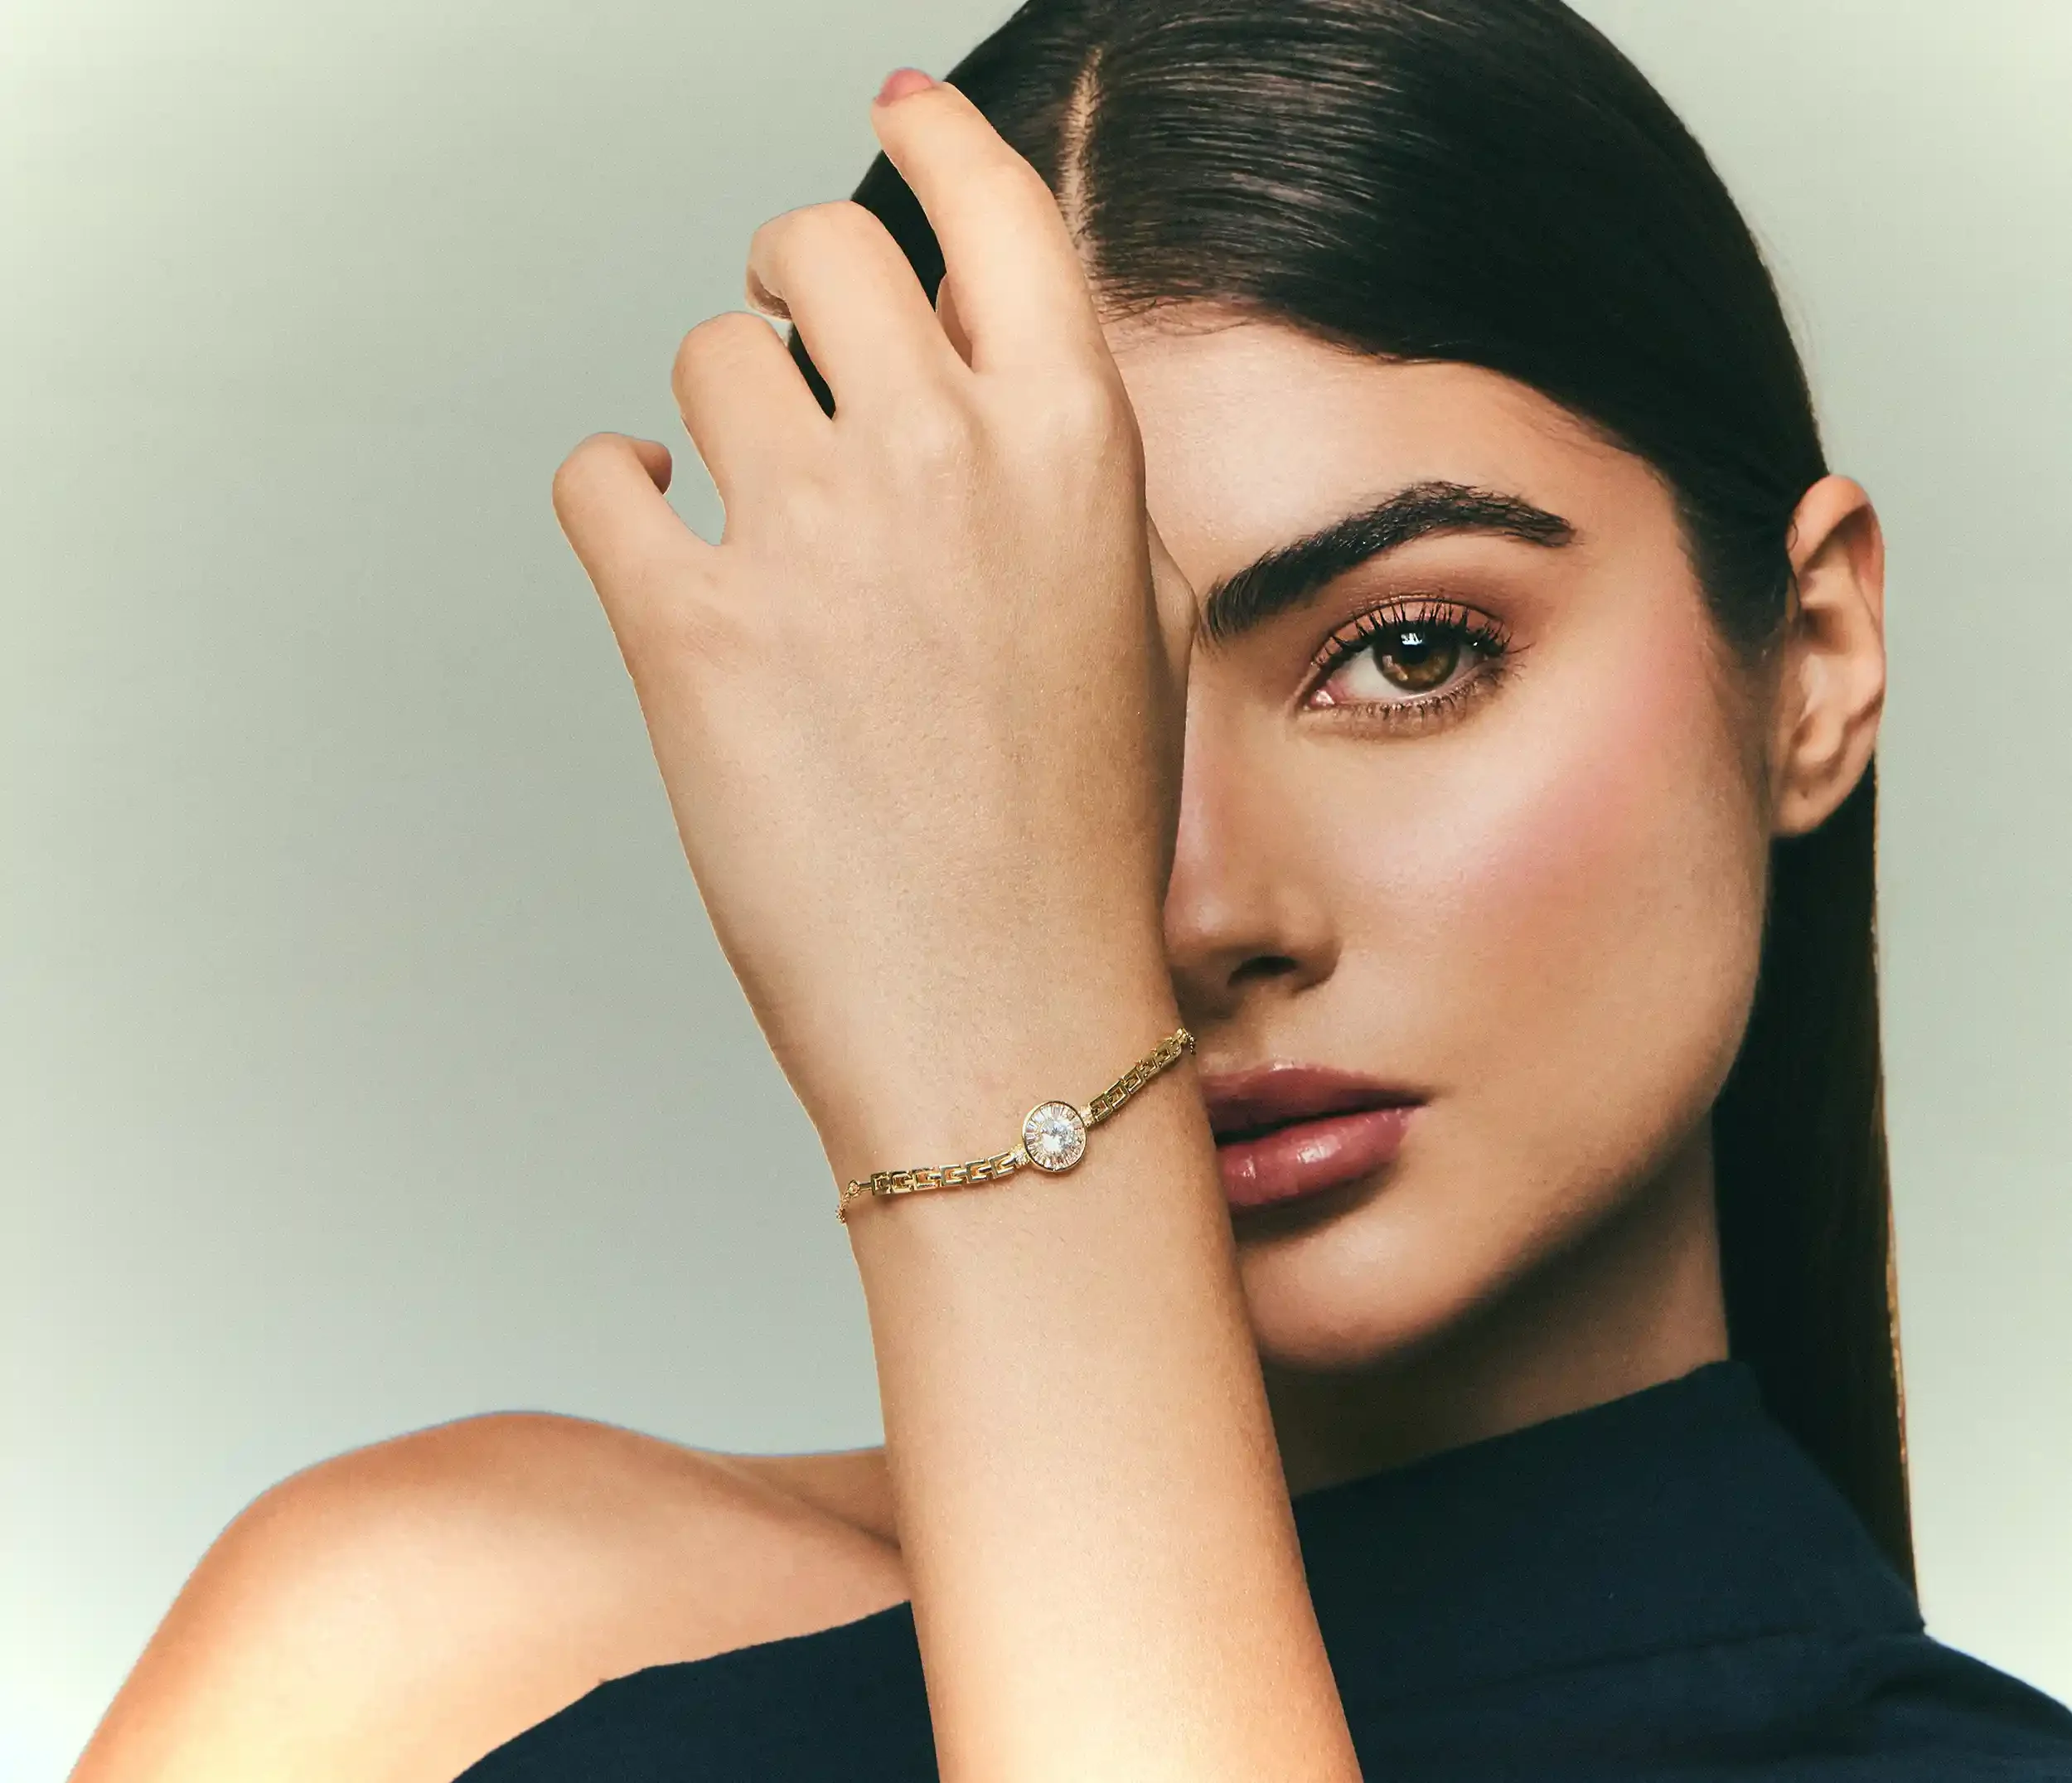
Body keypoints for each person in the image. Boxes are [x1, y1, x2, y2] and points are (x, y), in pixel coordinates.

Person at [69, 2, 2072, 1779]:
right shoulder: (425, 1635)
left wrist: (1011, 1114)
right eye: (1065, 720)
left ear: (1809, 658)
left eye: (1408, 650)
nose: (1200, 904)